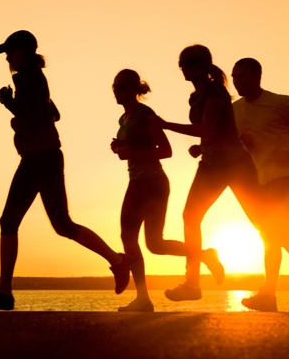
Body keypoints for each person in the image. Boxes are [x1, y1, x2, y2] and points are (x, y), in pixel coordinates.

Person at [0, 30, 131, 311]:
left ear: (22, 51)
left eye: (10, 52)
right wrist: (19, 109)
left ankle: (5, 293)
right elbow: (53, 113)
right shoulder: (33, 78)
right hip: (40, 158)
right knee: (57, 225)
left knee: (19, 221)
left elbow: (35, 115)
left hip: (41, 159)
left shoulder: (29, 78)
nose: (7, 57)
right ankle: (117, 262)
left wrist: (9, 104)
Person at [151, 45, 261, 301]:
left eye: (191, 62)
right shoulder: (195, 96)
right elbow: (212, 132)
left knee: (261, 220)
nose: (186, 68)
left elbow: (208, 128)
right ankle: (192, 284)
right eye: (182, 64)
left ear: (205, 63)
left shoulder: (216, 91)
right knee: (191, 216)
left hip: (236, 164)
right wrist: (201, 147)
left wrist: (165, 124)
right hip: (211, 165)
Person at [111, 69, 223, 312]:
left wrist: (131, 153)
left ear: (133, 89)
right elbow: (136, 145)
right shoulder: (124, 119)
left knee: (154, 243)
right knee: (132, 238)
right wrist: (121, 145)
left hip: (153, 183)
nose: (116, 91)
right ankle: (144, 298)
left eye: (121, 87)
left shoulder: (145, 114)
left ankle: (202, 256)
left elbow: (166, 150)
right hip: (135, 181)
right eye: (114, 87)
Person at [232, 58, 289, 311]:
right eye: (234, 76)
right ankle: (268, 295)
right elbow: (227, 140)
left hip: (284, 178)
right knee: (272, 237)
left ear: (257, 76)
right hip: (260, 180)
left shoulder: (280, 103)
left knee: (273, 234)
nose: (236, 80)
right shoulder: (234, 110)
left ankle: (268, 294)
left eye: (241, 75)